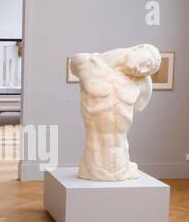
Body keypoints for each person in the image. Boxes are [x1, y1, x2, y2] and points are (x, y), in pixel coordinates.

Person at [69, 44, 161, 182]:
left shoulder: (143, 82)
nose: (143, 69)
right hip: (92, 161)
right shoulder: (85, 63)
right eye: (146, 63)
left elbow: (140, 106)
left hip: (122, 163)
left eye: (148, 70)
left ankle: (123, 166)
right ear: (139, 48)